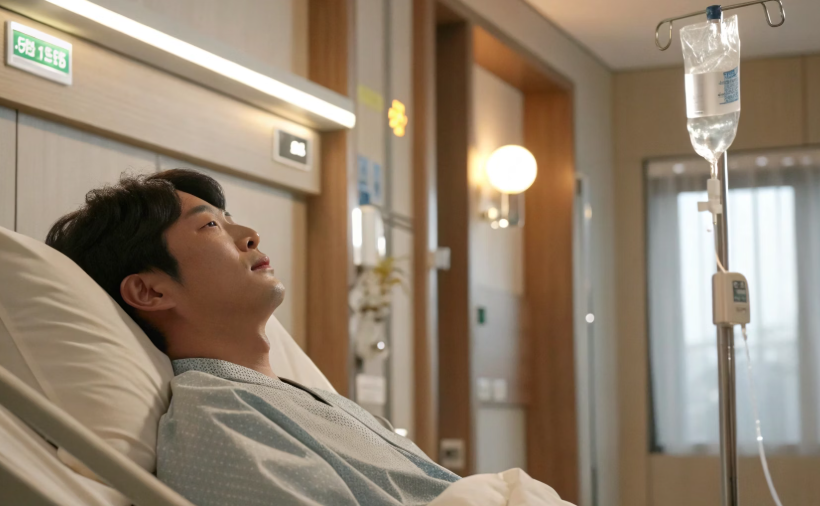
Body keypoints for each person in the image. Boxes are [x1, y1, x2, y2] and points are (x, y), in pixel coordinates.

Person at [46, 169, 460, 506]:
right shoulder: (216, 417)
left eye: (227, 219)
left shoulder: (314, 398)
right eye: (211, 225)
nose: (250, 234)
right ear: (150, 291)